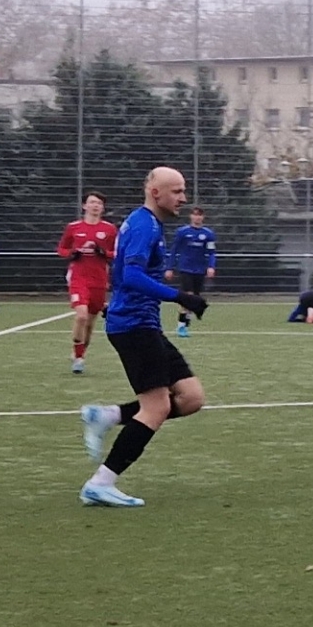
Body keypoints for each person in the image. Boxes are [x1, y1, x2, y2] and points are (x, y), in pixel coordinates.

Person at [76, 167, 211, 508]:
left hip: (142, 322)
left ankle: (108, 416)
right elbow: (132, 276)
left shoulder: (148, 223)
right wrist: (179, 296)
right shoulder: (143, 225)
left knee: (191, 397)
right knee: (157, 407)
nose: (183, 198)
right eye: (176, 191)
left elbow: (121, 273)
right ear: (155, 192)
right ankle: (100, 483)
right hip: (134, 326)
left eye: (183, 190)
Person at [57, 192, 119, 374]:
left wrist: (104, 253)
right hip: (79, 278)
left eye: (99, 203)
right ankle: (78, 357)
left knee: (90, 324)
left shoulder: (109, 229)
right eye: (92, 202)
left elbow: (117, 253)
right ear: (84, 206)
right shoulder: (73, 227)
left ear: (103, 208)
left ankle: (81, 353)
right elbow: (62, 249)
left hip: (99, 279)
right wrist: (72, 253)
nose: (95, 206)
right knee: (81, 316)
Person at [166, 207, 216, 338]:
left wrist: (211, 266)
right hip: (185, 269)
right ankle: (181, 326)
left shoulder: (208, 234)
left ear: (203, 217)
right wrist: (169, 268)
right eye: (195, 215)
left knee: (194, 299)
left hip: (200, 270)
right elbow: (174, 250)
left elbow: (211, 252)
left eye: (200, 215)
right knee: (188, 296)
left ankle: (185, 325)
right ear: (191, 216)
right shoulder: (182, 232)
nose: (197, 218)